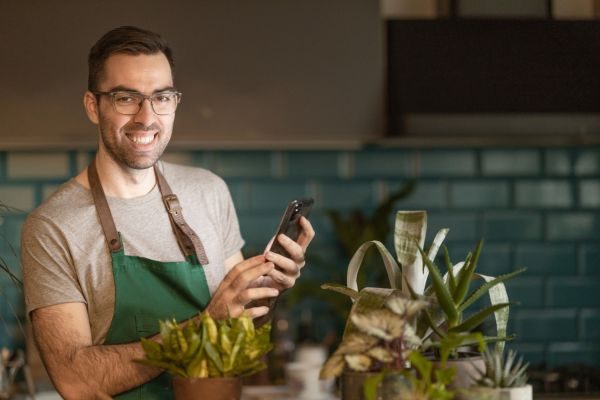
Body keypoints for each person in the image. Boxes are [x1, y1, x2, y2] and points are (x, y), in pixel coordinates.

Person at [20, 26, 314, 399]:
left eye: (161, 97)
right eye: (126, 98)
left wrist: (267, 291)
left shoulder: (209, 192)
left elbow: (240, 336)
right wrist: (207, 322)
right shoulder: (52, 226)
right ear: (93, 106)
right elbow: (76, 381)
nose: (147, 117)